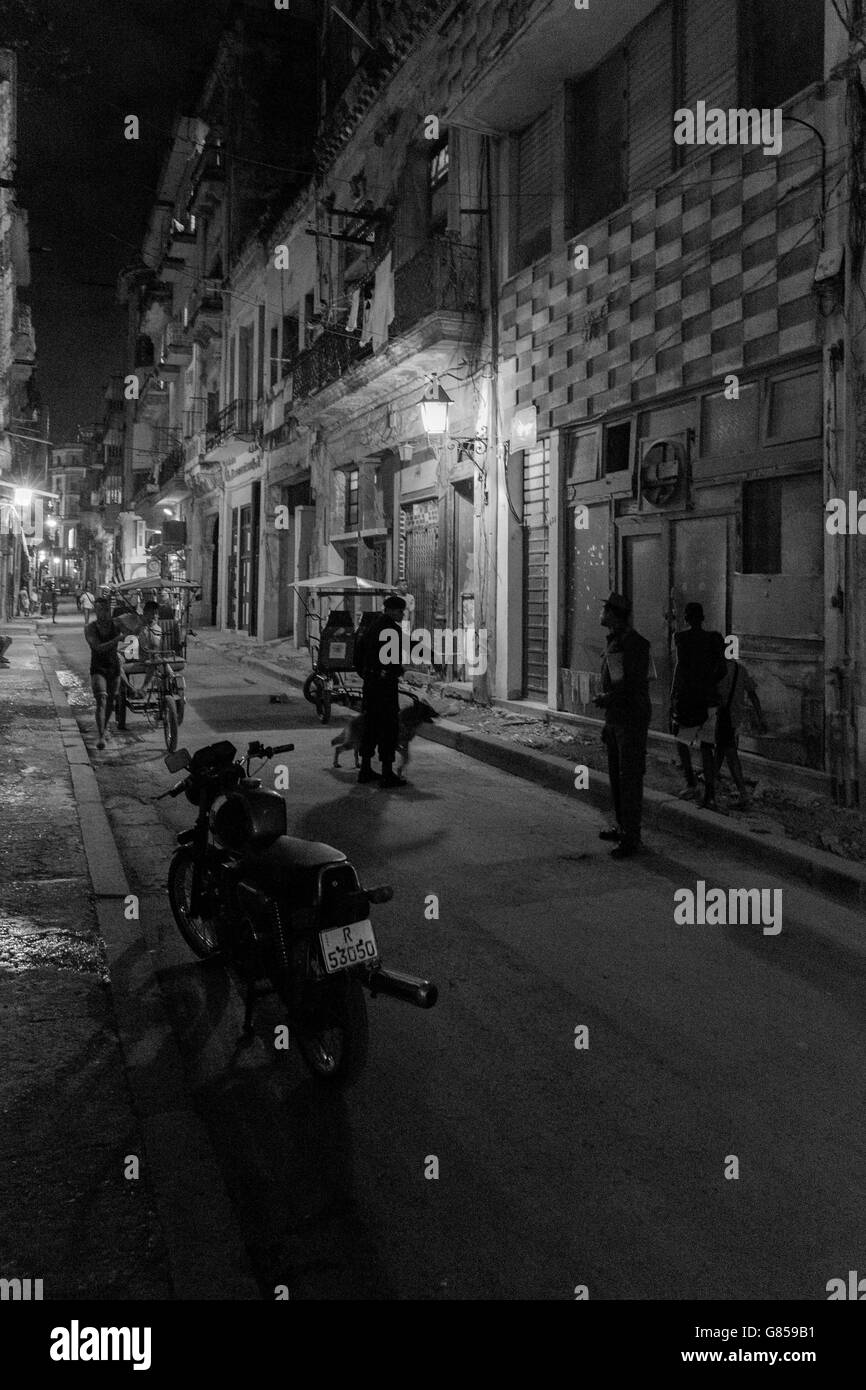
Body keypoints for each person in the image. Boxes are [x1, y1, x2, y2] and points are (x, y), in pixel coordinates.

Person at [593, 591, 652, 860]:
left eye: (606, 610)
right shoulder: (615, 641)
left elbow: (632, 686)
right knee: (618, 778)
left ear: (615, 615)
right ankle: (622, 826)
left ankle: (632, 836)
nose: (601, 614)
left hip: (630, 719)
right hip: (615, 718)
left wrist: (607, 699)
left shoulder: (634, 644)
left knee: (629, 779)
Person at [670, 601, 727, 811]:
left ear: (686, 618)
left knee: (682, 741)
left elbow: (680, 669)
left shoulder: (681, 639)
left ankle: (691, 783)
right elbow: (722, 670)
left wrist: (673, 695)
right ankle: (710, 795)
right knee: (707, 747)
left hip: (689, 700)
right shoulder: (714, 639)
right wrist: (708, 683)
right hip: (709, 700)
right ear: (702, 618)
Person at [356, 592, 407, 788]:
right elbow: (394, 659)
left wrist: (367, 675)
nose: (402, 615)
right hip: (385, 687)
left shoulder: (371, 627)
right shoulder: (391, 630)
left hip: (370, 684)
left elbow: (358, 654)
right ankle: (387, 773)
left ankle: (365, 769)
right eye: (400, 611)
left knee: (370, 725)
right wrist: (397, 672)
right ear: (391, 611)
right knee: (388, 727)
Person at [715, 657, 766, 809]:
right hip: (734, 718)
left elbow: (713, 695)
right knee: (721, 750)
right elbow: (752, 695)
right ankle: (709, 787)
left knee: (729, 753)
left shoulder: (717, 670)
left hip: (723, 717)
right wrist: (760, 717)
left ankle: (743, 795)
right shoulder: (740, 669)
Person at [85, 597, 128, 750]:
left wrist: (138, 622)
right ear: (95, 611)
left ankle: (105, 727)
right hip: (98, 667)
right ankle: (101, 734)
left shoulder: (116, 624)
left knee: (111, 701)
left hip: (114, 666)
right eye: (100, 610)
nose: (103, 613)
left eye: (105, 609)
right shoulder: (90, 628)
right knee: (102, 699)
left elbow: (131, 632)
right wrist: (118, 638)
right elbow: (97, 647)